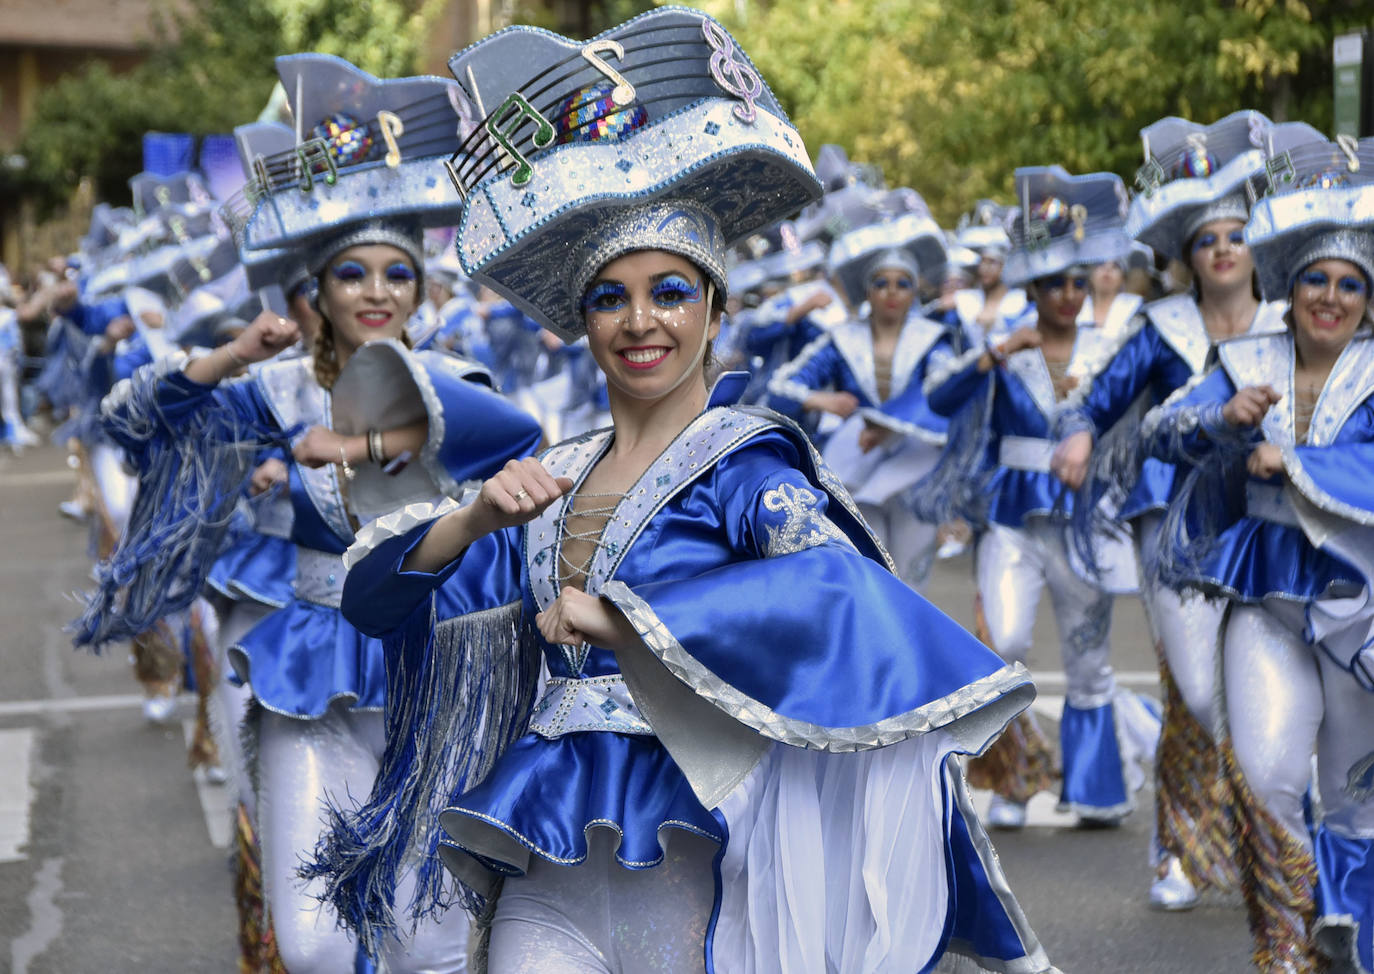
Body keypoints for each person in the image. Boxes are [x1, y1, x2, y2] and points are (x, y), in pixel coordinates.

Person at [313, 11, 1055, 974]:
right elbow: (375, 608)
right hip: (546, 868)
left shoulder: (744, 465)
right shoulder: (554, 479)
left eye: (670, 290)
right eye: (609, 297)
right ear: (581, 322)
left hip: (693, 865)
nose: (639, 321)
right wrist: (474, 515)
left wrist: (632, 623)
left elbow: (840, 592)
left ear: (715, 308)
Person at [79, 53, 544, 973]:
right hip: (312, 660)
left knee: (438, 937)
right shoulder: (277, 388)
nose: (377, 292)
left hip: (432, 670)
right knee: (317, 944)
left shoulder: (461, 387)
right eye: (354, 274)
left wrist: (354, 451)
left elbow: (500, 465)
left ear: (420, 290)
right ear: (318, 292)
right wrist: (228, 357)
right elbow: (132, 424)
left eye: (399, 274)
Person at [1139, 134, 1374, 974]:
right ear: (1290, 284)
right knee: (1270, 773)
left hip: (1360, 609)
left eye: (1350, 284)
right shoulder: (1245, 360)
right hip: (1266, 594)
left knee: (1355, 797)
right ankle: (1283, 945)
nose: (1331, 297)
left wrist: (1299, 461)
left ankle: (1351, 934)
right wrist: (1221, 419)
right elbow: (1161, 429)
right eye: (1316, 278)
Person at [1050, 110, 1297, 911]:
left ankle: (1265, 842)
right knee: (1196, 690)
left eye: (1236, 233)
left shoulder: (1293, 325)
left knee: (1278, 687)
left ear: (1256, 244)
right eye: (1206, 238)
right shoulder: (1160, 327)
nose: (1223, 247)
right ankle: (1182, 845)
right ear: (1187, 257)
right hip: (1177, 524)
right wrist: (1079, 437)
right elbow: (1089, 401)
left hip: (1278, 522)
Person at [921, 166, 1159, 831]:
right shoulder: (1003, 344)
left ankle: (1095, 789)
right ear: (1032, 287)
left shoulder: (1112, 349)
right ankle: (1016, 778)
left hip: (1086, 524)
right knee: (1005, 646)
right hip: (1009, 522)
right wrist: (996, 353)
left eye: (1079, 281)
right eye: (1054, 282)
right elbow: (940, 399)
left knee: (1088, 662)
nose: (1069, 294)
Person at [766, 211, 952, 590]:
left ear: (915, 290)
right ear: (866, 289)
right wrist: (822, 399)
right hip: (855, 461)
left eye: (903, 283)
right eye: (881, 282)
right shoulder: (840, 339)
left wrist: (887, 426)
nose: (891, 292)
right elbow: (781, 386)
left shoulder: (934, 338)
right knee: (869, 577)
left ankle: (908, 647)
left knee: (913, 585)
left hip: (915, 465)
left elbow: (941, 390)